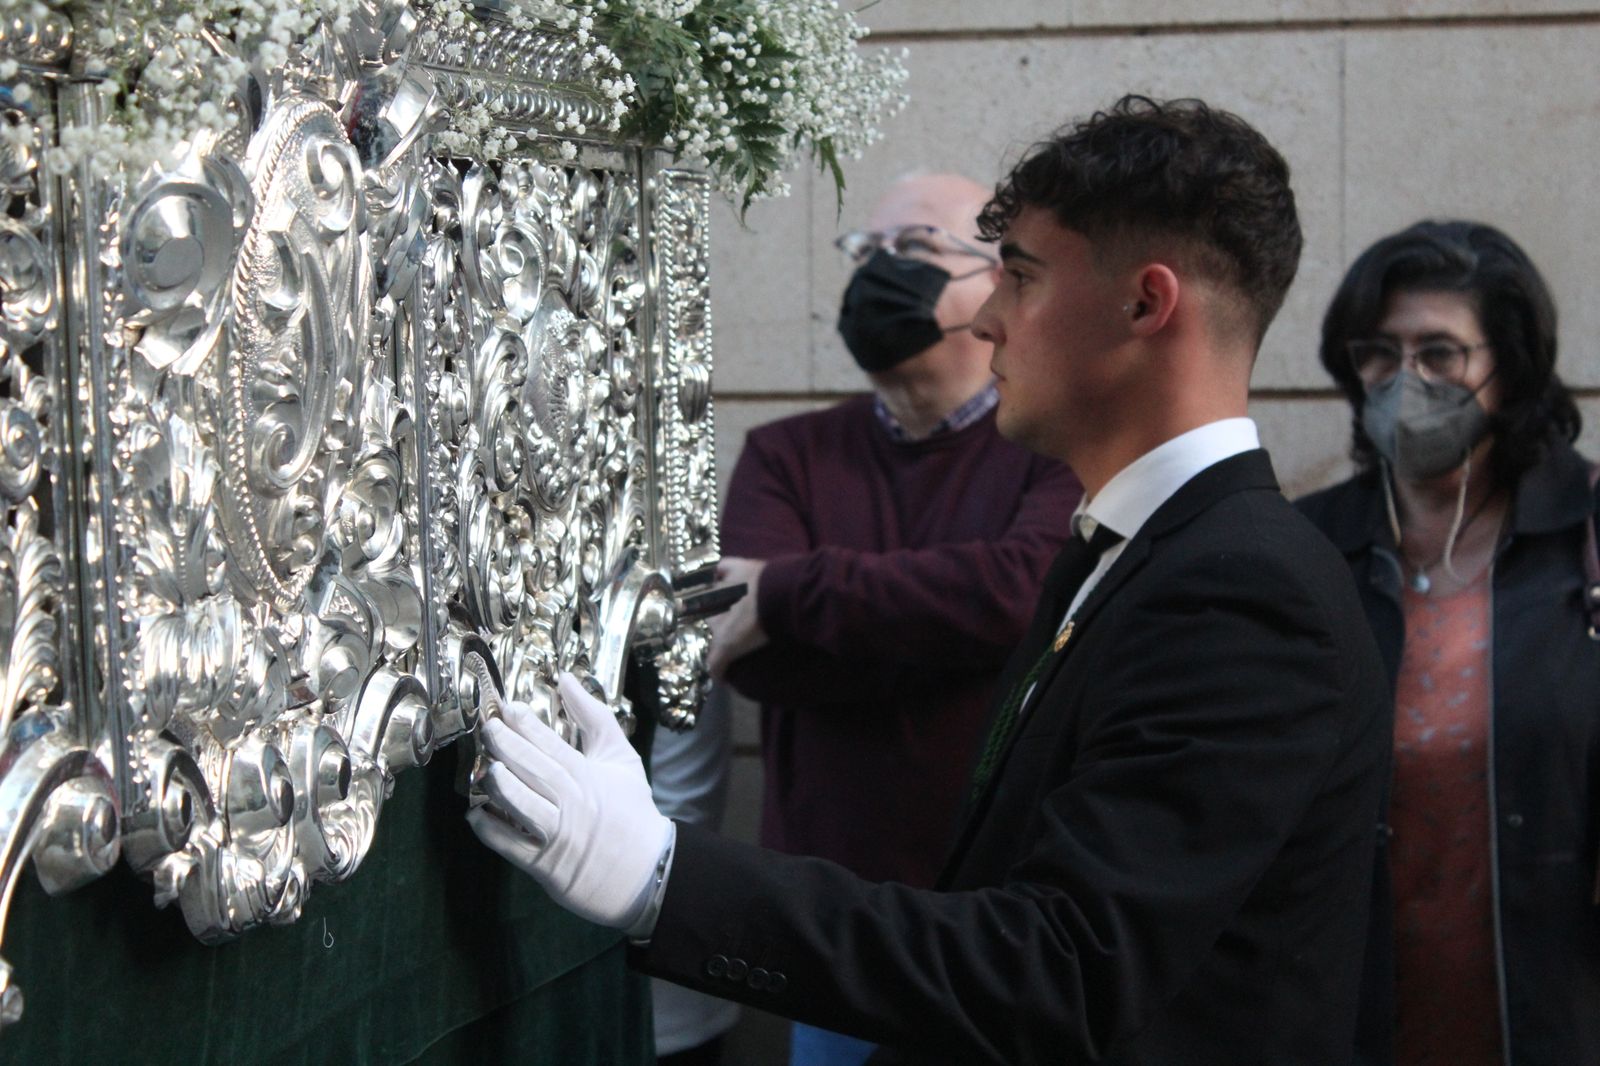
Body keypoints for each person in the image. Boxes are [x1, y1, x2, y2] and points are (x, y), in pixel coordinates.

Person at [466, 95, 1392, 1065]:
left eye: (1022, 278)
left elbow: (1063, 970)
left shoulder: (1241, 589)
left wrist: (659, 876)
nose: (987, 318)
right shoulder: (1124, 545)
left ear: (1145, 304)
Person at [708, 171, 1084, 1065]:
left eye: (913, 249)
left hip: (1004, 921)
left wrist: (793, 594)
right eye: (865, 251)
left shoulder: (1054, 451)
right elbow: (751, 658)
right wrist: (951, 633)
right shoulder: (785, 454)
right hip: (832, 922)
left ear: (1002, 283)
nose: (879, 271)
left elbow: (1022, 596)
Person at [1295, 220, 1600, 1065]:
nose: (1405, 382)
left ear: (1510, 368)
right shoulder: (1304, 552)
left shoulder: (1586, 536)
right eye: (1380, 355)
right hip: (1354, 1011)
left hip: (1554, 1007)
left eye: (1440, 355)